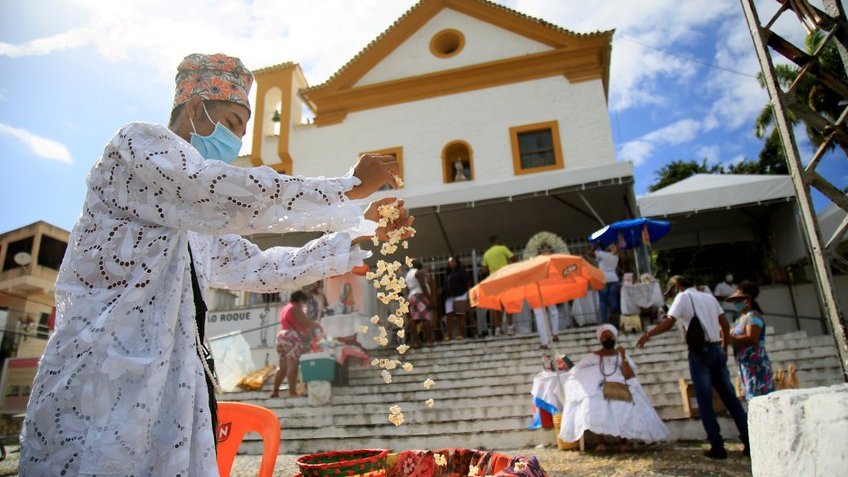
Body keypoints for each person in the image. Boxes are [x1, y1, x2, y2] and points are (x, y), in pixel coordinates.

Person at [19, 53, 413, 476]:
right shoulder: (138, 147)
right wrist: (347, 189)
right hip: (100, 380)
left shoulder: (197, 223)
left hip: (170, 390)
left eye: (244, 129)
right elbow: (213, 188)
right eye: (231, 121)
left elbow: (260, 267)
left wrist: (356, 236)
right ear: (194, 108)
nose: (237, 140)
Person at [637, 275, 750, 459]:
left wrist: (648, 335)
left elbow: (669, 322)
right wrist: (724, 347)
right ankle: (748, 441)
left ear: (678, 287)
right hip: (716, 348)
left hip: (699, 352)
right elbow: (723, 322)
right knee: (730, 399)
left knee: (705, 400)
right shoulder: (708, 296)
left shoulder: (683, 297)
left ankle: (717, 445)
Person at [560, 324, 669, 450]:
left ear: (615, 338)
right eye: (604, 337)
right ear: (600, 340)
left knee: (622, 404)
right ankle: (601, 442)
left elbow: (630, 376)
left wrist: (623, 357)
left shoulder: (620, 355)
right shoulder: (593, 357)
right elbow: (577, 370)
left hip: (618, 386)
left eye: (610, 336)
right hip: (598, 388)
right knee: (593, 403)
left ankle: (624, 442)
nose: (608, 339)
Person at [726, 281, 775, 400]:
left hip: (755, 362)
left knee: (760, 395)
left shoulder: (753, 316)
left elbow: (753, 337)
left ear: (748, 299)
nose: (736, 303)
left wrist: (731, 338)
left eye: (739, 300)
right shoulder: (739, 319)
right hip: (744, 363)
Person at [270, 291, 322, 398]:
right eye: (304, 301)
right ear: (300, 300)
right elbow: (304, 322)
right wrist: (318, 326)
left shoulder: (286, 308)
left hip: (282, 336)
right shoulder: (295, 308)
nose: (304, 304)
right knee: (293, 363)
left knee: (283, 366)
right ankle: (292, 391)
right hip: (292, 337)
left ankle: (275, 391)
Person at [482, 235, 517, 336]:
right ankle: (510, 327)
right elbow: (514, 258)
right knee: (508, 302)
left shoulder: (486, 254)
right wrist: (508, 266)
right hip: (504, 278)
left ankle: (497, 329)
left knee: (495, 305)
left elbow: (484, 269)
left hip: (493, 280)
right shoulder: (502, 248)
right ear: (497, 240)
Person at [405, 259, 435, 347]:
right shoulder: (419, 272)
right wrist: (429, 299)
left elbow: (407, 289)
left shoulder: (407, 275)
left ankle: (415, 341)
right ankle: (430, 341)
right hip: (420, 296)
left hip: (412, 297)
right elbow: (423, 286)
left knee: (414, 320)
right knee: (425, 318)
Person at [590, 244, 620, 325]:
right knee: (613, 298)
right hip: (613, 278)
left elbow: (590, 254)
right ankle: (614, 316)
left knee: (603, 300)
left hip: (603, 279)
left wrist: (594, 247)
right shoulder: (616, 257)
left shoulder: (602, 254)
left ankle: (604, 320)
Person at [442, 256, 470, 341]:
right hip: (449, 297)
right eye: (449, 262)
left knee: (460, 315)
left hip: (460, 295)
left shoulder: (462, 272)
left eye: (453, 261)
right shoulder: (448, 273)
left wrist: (469, 293)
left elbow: (467, 283)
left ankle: (462, 334)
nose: (451, 263)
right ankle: (449, 335)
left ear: (457, 262)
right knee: (449, 315)